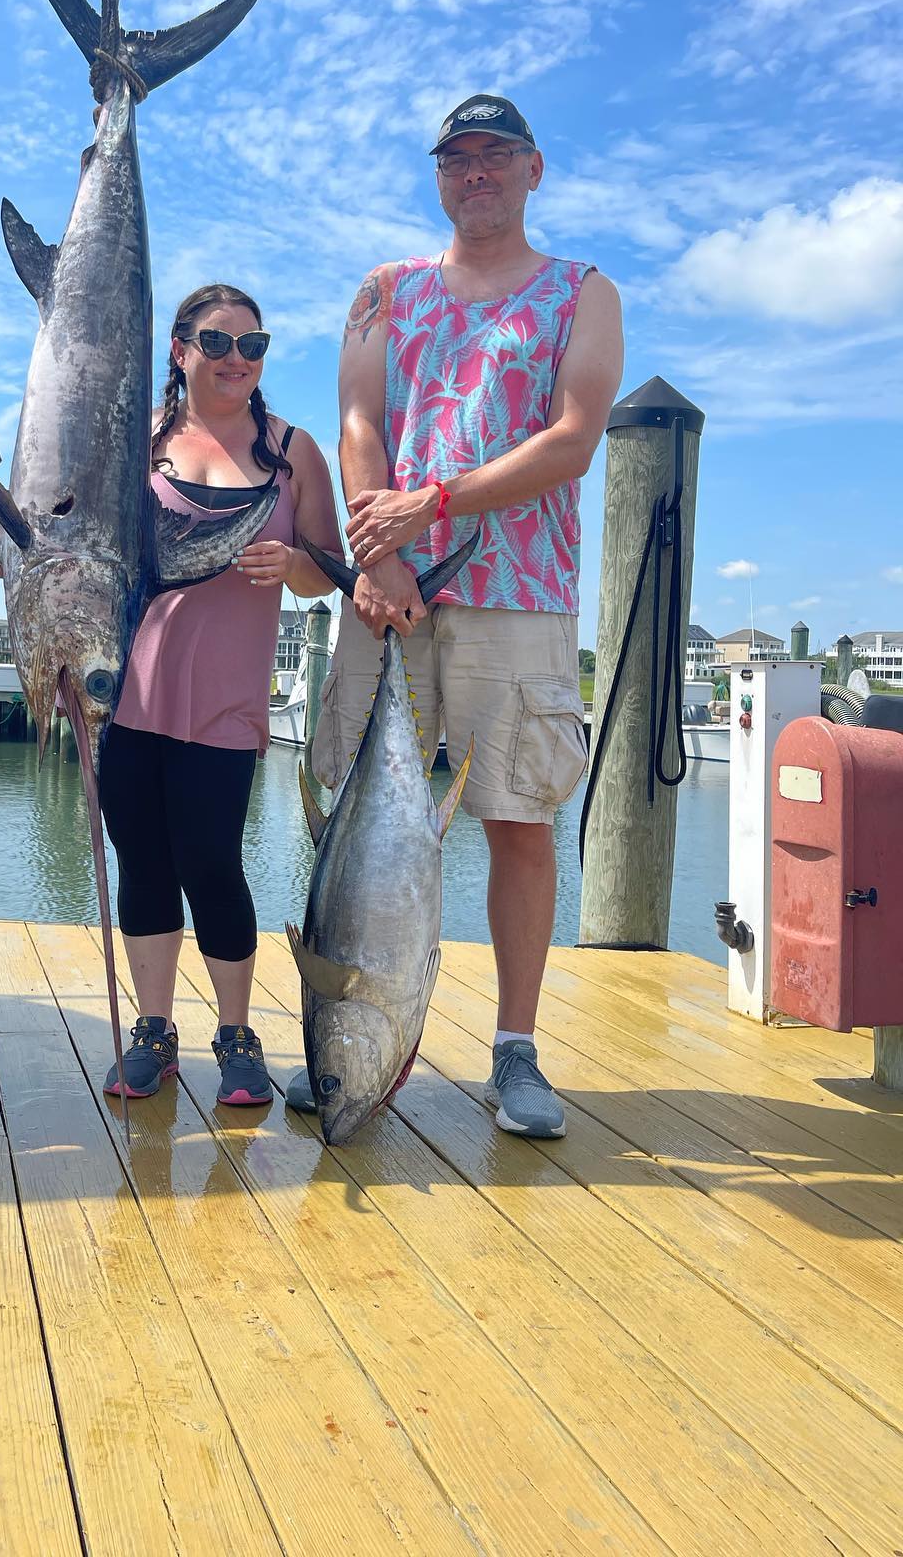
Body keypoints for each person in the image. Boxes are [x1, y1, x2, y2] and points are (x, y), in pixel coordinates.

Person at [331, 94, 623, 1139]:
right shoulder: (386, 290)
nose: (478, 172)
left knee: (517, 821)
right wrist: (385, 550)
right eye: (459, 157)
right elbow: (360, 420)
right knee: (353, 817)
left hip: (519, 591)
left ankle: (514, 1052)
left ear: (535, 169)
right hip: (395, 593)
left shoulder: (582, 292)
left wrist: (435, 506)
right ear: (440, 174)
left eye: (498, 155)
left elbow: (575, 437)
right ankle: (354, 1028)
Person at [99, 283, 345, 1106]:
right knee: (143, 863)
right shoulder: (141, 441)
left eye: (253, 344)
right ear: (180, 349)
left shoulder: (292, 450)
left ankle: (237, 1033)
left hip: (229, 701)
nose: (237, 358)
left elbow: (329, 570)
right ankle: (154, 1029)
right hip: (128, 694)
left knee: (211, 862)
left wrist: (294, 569)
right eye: (217, 341)